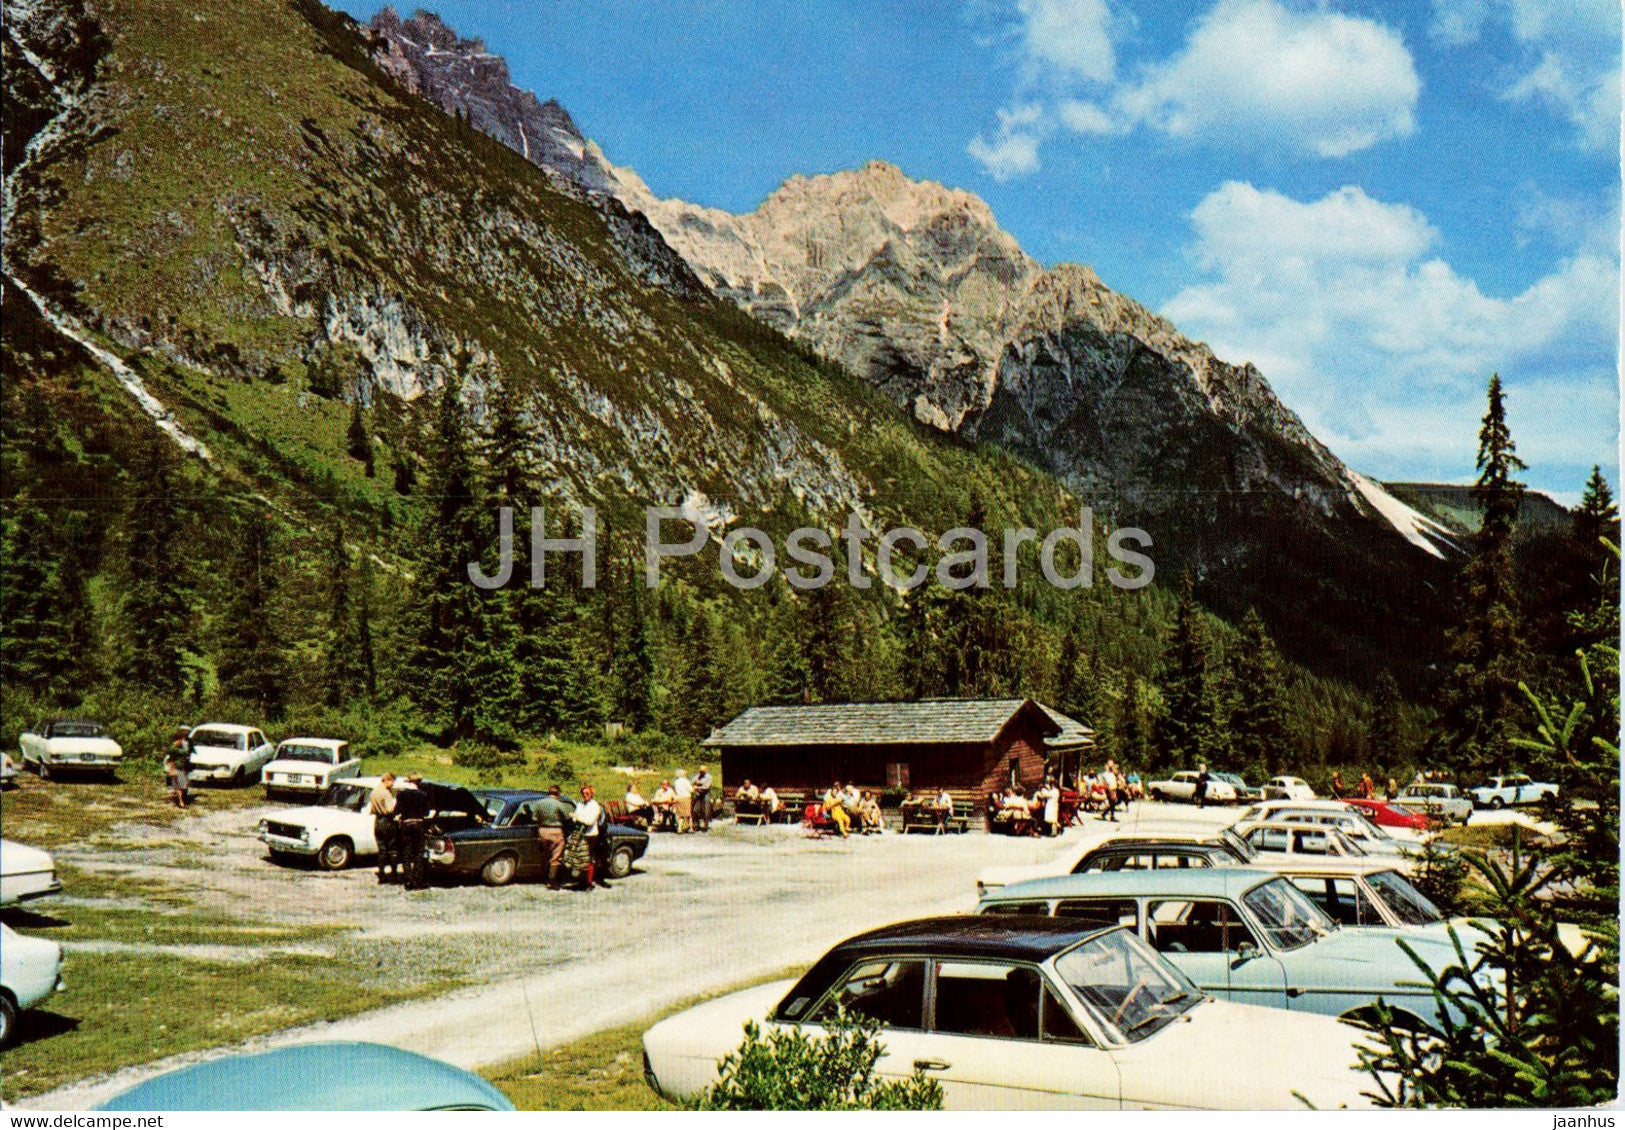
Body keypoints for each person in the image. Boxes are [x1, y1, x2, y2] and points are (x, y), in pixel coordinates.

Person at [393, 774, 430, 891]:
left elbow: (396, 811)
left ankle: (408, 880)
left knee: (406, 852)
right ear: (418, 782)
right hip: (419, 824)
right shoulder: (423, 795)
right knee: (419, 852)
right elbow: (426, 813)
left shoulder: (401, 794)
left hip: (406, 824)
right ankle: (417, 880)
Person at [534, 784, 574, 888]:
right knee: (556, 857)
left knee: (545, 855)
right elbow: (567, 818)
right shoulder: (559, 804)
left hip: (542, 830)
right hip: (555, 831)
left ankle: (542, 877)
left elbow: (534, 818)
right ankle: (552, 881)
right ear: (558, 793)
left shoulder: (539, 803)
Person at [572, 785, 607, 889]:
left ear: (592, 794)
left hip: (591, 835)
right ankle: (581, 880)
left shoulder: (595, 806)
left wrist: (578, 818)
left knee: (588, 859)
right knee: (580, 858)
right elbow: (575, 818)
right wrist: (578, 818)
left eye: (587, 793)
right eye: (583, 793)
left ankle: (588, 882)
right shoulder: (580, 804)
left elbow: (589, 821)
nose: (585, 795)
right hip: (581, 834)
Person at [368, 771, 398, 883]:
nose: (393, 785)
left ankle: (381, 873)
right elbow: (390, 809)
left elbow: (371, 809)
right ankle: (394, 873)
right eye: (392, 782)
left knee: (381, 849)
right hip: (387, 822)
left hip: (377, 821)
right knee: (392, 848)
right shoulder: (386, 793)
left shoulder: (374, 791)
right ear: (387, 780)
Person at [164, 729, 192, 810]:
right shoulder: (175, 747)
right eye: (182, 739)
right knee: (181, 786)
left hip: (180, 767)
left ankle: (179, 800)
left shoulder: (177, 746)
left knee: (181, 786)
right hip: (177, 768)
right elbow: (182, 753)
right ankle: (180, 802)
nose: (183, 740)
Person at [692, 765, 713, 832]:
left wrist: (697, 787)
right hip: (698, 794)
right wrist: (696, 785)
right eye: (700, 771)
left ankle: (705, 825)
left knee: (706, 810)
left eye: (702, 771)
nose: (701, 772)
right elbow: (692, 782)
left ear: (705, 771)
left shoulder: (709, 777)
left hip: (705, 794)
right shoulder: (697, 776)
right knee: (695, 809)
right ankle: (696, 824)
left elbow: (706, 787)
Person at [673, 769, 694, 833]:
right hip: (686, 797)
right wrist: (694, 787)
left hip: (679, 798)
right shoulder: (686, 781)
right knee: (688, 814)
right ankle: (691, 828)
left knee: (680, 814)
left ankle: (679, 828)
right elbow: (691, 790)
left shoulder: (676, 782)